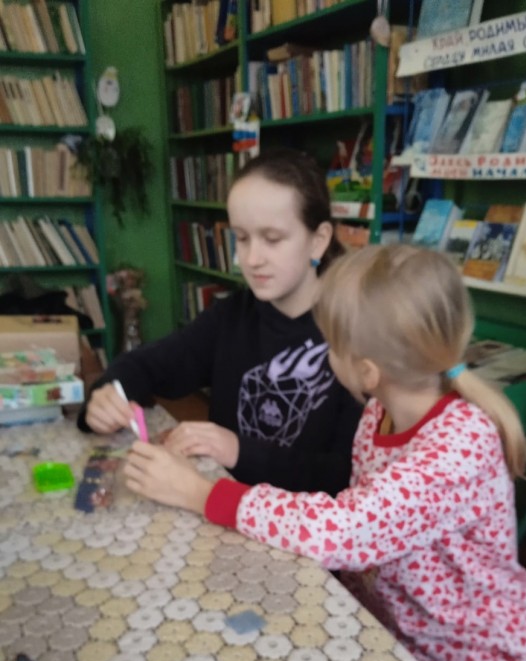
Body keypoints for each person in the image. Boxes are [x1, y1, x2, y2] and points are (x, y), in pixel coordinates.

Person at [124, 244, 526, 661]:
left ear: (368, 372)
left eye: (330, 344)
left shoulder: (461, 444)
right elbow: (364, 526)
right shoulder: (377, 414)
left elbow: (340, 530)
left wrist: (201, 493)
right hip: (402, 644)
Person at [78, 148, 362, 496]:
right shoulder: (233, 315)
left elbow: (341, 477)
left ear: (318, 241)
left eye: (272, 239)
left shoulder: (356, 334)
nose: (251, 259)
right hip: (214, 507)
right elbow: (150, 364)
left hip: (298, 523)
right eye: (241, 238)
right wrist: (109, 395)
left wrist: (237, 450)